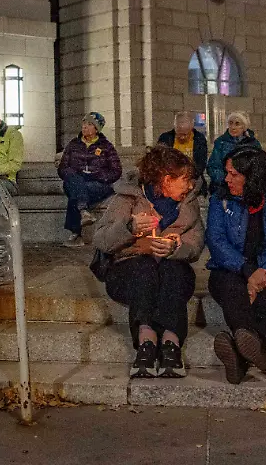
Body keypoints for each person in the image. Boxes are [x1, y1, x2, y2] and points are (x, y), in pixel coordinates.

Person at [92, 145, 204, 378]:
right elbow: (101, 239)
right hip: (129, 269)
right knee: (144, 269)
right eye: (185, 179)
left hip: (170, 269)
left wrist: (175, 247)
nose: (191, 185)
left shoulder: (188, 203)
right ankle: (146, 343)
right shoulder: (128, 198)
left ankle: (171, 344)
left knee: (173, 270)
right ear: (166, 179)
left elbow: (195, 245)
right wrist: (130, 229)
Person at [207, 147, 266, 384]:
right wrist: (248, 271)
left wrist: (263, 273)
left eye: (234, 174)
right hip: (232, 268)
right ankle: (255, 348)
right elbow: (216, 241)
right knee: (230, 288)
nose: (226, 179)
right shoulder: (220, 199)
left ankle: (240, 359)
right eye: (226, 173)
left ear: (253, 176)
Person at [58, 112, 122, 247]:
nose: (84, 127)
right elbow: (63, 168)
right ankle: (83, 211)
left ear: (96, 129)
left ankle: (76, 234)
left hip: (98, 183)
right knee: (75, 182)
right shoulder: (73, 144)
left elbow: (116, 171)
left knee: (76, 192)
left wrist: (99, 175)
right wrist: (74, 173)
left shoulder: (106, 146)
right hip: (75, 180)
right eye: (83, 124)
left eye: (89, 124)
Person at [205, 111, 261, 194]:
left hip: (247, 189)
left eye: (237, 124)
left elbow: (258, 166)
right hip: (222, 188)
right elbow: (213, 166)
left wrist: (245, 182)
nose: (233, 127)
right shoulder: (221, 142)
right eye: (230, 123)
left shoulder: (253, 144)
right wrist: (227, 180)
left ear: (244, 127)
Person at [157, 111, 209, 183]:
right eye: (179, 134)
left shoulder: (199, 139)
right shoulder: (165, 138)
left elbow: (201, 164)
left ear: (191, 129)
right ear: (175, 128)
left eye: (185, 134)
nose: (182, 137)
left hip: (192, 177)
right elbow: (160, 161)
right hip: (170, 177)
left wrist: (188, 176)